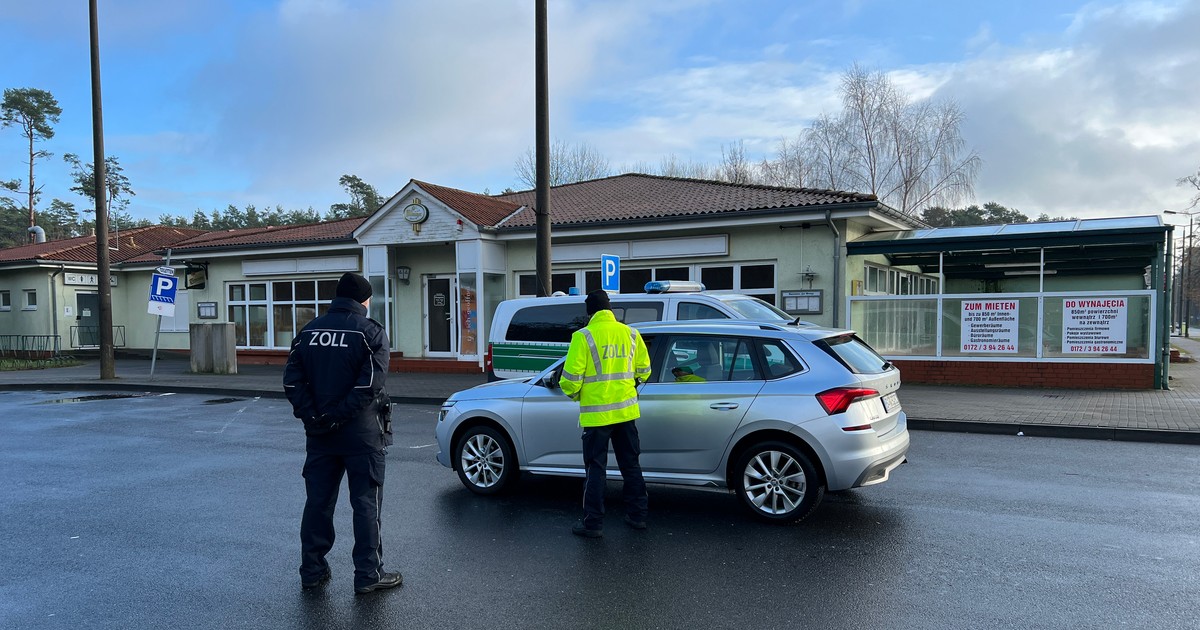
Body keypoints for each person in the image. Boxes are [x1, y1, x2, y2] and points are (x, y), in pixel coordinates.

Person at [283, 272, 402, 594]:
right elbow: (368, 386)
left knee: (317, 504)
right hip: (361, 436)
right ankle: (368, 575)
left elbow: (292, 381)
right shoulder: (370, 332)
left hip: (319, 435)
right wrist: (337, 418)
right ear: (365, 299)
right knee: (365, 504)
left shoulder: (309, 331)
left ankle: (312, 571)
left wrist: (314, 417)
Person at [559, 290, 652, 537]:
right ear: (610, 309)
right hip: (626, 413)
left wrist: (579, 395)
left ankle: (593, 524)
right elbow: (644, 371)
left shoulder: (583, 336)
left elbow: (569, 381)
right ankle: (638, 516)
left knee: (596, 469)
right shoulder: (631, 333)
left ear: (590, 312)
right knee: (631, 465)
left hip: (596, 416)